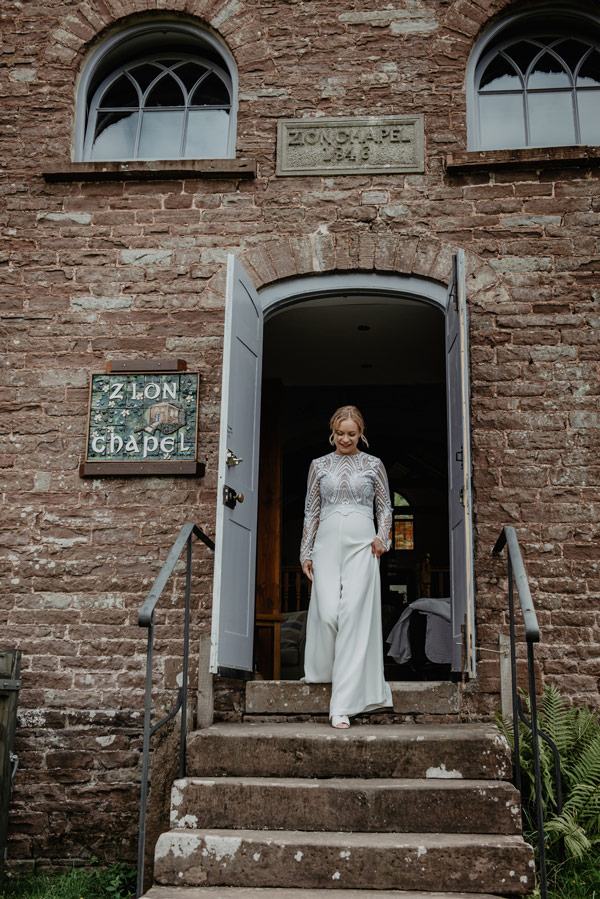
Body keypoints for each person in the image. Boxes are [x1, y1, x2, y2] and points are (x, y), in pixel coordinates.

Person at [300, 405, 393, 728]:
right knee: (327, 613)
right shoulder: (319, 465)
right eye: (340, 433)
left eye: (352, 434)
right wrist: (305, 552)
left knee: (353, 613)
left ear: (361, 433)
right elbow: (311, 511)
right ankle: (324, 670)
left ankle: (342, 704)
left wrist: (383, 538)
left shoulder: (373, 464)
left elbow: (385, 508)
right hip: (326, 545)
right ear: (332, 431)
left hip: (363, 546)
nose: (345, 439)